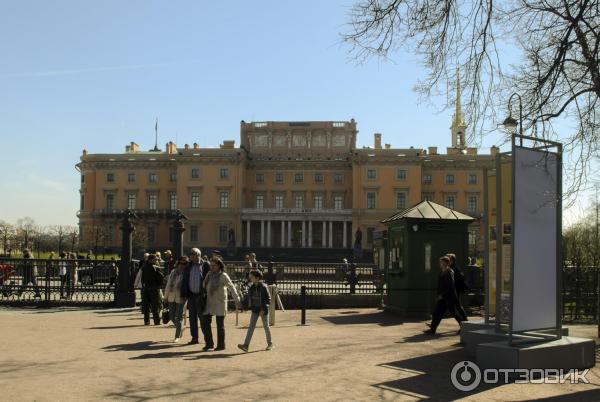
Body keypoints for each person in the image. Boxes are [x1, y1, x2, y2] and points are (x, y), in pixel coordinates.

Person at [201, 257, 241, 351]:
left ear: (219, 266)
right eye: (211, 265)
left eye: (214, 265)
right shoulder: (209, 274)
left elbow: (231, 287)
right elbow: (203, 285)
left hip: (220, 303)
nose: (212, 267)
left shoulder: (223, 275)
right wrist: (207, 278)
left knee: (220, 325)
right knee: (205, 323)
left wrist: (237, 300)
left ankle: (221, 345)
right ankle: (209, 343)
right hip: (209, 302)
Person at [424, 256, 466, 335]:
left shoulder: (450, 272)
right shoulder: (441, 272)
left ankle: (464, 327)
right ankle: (433, 329)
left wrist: (442, 295)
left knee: (454, 313)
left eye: (441, 262)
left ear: (445, 263)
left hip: (449, 296)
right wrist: (439, 295)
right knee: (437, 312)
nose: (440, 264)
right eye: (440, 262)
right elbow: (440, 285)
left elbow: (450, 286)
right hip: (442, 297)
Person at [238, 269, 273, 352]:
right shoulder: (252, 287)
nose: (250, 279)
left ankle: (270, 343)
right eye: (250, 277)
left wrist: (263, 309)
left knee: (266, 326)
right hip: (255, 310)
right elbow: (250, 299)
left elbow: (268, 299)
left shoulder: (264, 287)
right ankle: (246, 345)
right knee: (251, 327)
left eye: (252, 277)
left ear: (257, 278)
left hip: (263, 310)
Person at [180, 248, 209, 345]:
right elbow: (184, 280)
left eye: (192, 254)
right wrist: (183, 294)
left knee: (203, 318)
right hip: (191, 296)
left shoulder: (205, 265)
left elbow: (209, 280)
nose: (190, 256)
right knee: (192, 318)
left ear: (198, 255)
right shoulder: (188, 266)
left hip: (201, 296)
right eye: (190, 254)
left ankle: (207, 339)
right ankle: (194, 338)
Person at [164, 256, 187, 342]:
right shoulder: (173, 272)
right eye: (180, 263)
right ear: (177, 264)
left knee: (178, 317)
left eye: (184, 264)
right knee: (171, 316)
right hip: (171, 296)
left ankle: (177, 336)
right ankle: (181, 327)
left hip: (181, 297)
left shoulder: (186, 273)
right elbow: (168, 284)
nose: (182, 265)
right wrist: (165, 297)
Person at [140, 253, 163, 325]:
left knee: (146, 306)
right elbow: (160, 277)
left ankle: (146, 321)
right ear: (151, 260)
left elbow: (142, 278)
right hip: (154, 288)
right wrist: (159, 285)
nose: (156, 261)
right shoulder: (155, 267)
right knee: (155, 306)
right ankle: (157, 321)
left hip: (146, 288)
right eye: (155, 259)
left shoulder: (144, 267)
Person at [447, 253, 469, 322]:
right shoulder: (453, 268)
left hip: (454, 291)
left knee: (456, 307)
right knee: (456, 307)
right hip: (454, 290)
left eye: (448, 259)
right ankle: (433, 325)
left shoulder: (453, 269)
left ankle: (464, 322)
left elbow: (457, 281)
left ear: (451, 260)